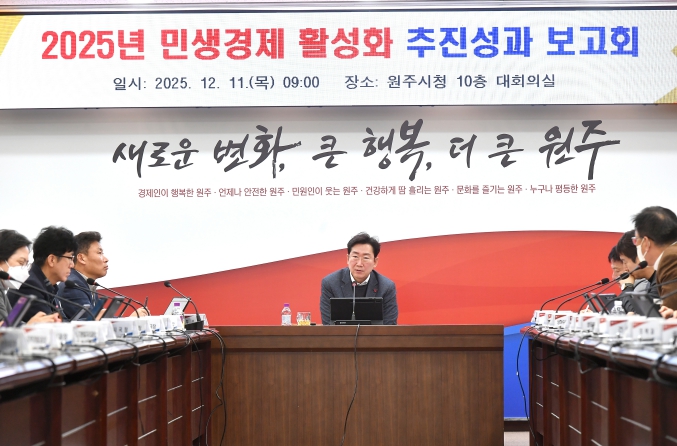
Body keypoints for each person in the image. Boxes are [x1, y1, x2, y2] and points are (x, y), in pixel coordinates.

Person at [57, 231, 147, 320]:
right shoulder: (73, 285)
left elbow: (98, 319)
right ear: (81, 258)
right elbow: (89, 322)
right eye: (99, 253)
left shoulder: (88, 284)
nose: (106, 259)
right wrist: (129, 319)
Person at [320, 232, 397, 325]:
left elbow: (389, 326)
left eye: (365, 258)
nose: (359, 264)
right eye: (355, 257)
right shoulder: (330, 283)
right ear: (348, 259)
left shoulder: (386, 287)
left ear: (375, 262)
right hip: (339, 335)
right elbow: (328, 325)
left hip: (375, 335)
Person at [8, 226, 76, 322]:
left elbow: (62, 321)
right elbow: (51, 326)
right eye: (70, 258)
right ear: (52, 260)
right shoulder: (30, 286)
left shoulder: (47, 285)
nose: (72, 265)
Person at [0, 229, 61, 325]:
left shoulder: (2, 289)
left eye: (26, 264)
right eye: (21, 262)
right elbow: (3, 327)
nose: (24, 270)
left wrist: (32, 323)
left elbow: (8, 323)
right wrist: (29, 325)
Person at [633, 206, 677, 312]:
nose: (636, 245)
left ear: (646, 242)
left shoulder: (671, 257)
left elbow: (668, 312)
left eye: (636, 240)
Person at [615, 230, 661, 314]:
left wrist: (627, 286)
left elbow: (642, 314)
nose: (625, 269)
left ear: (640, 255)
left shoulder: (661, 280)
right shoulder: (650, 282)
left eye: (625, 261)